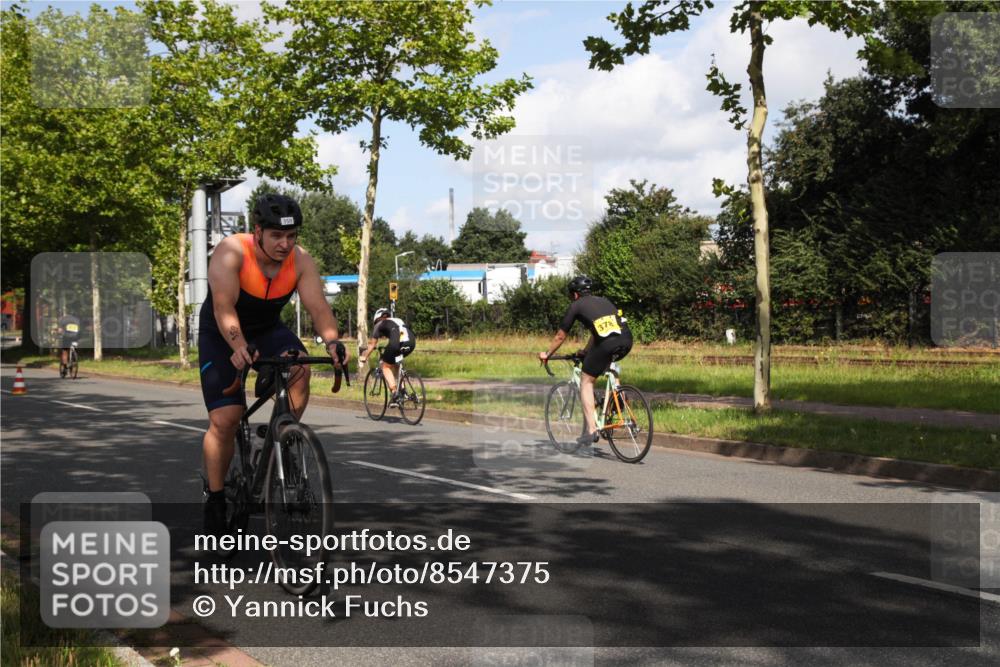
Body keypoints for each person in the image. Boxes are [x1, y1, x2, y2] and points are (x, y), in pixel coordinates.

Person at [198, 193, 346, 536]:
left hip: (267, 330)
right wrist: (237, 346)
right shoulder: (231, 252)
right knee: (225, 419)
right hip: (222, 332)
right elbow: (223, 308)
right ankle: (216, 499)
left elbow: (319, 307)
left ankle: (284, 434)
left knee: (300, 366)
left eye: (291, 236)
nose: (285, 244)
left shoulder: (301, 261)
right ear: (258, 231)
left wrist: (333, 341)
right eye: (277, 236)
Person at [538, 275, 633, 446]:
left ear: (575, 294)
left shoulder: (576, 305)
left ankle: (591, 430)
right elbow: (599, 331)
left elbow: (560, 336)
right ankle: (618, 396)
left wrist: (547, 354)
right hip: (626, 339)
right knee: (609, 366)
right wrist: (585, 351)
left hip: (606, 343)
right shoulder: (604, 300)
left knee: (586, 381)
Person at [359, 308, 416, 407]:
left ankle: (394, 393)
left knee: (384, 365)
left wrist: (364, 356)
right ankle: (403, 391)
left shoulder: (379, 324)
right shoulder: (397, 320)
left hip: (396, 342)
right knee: (394, 363)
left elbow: (372, 345)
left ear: (377, 319)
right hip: (411, 342)